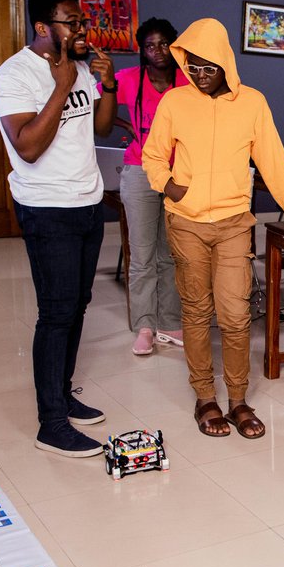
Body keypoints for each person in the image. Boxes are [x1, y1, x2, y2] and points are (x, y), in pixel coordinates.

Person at [141, 17, 284, 440]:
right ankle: (205, 397)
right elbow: (152, 155)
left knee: (237, 314)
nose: (199, 76)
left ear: (226, 64)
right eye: (193, 67)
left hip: (235, 222)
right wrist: (169, 185)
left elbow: (273, 162)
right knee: (197, 312)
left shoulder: (253, 102)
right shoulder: (175, 102)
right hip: (186, 222)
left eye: (209, 68)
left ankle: (238, 399)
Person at [0, 0, 117, 458]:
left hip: (87, 202)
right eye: (71, 22)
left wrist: (109, 84)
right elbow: (27, 146)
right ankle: (51, 423)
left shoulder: (80, 67)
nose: (82, 30)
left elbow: (101, 127)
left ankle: (62, 396)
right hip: (47, 208)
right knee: (57, 312)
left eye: (82, 21)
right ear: (43, 27)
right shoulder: (15, 76)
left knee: (77, 305)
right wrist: (61, 85)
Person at [97, 18, 188, 356]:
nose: (158, 51)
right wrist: (107, 89)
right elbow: (100, 117)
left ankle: (169, 321)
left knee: (172, 253)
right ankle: (145, 326)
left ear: (174, 45)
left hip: (179, 174)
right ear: (142, 50)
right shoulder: (128, 79)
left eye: (164, 44)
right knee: (142, 254)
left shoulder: (188, 81)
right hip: (138, 171)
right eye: (150, 46)